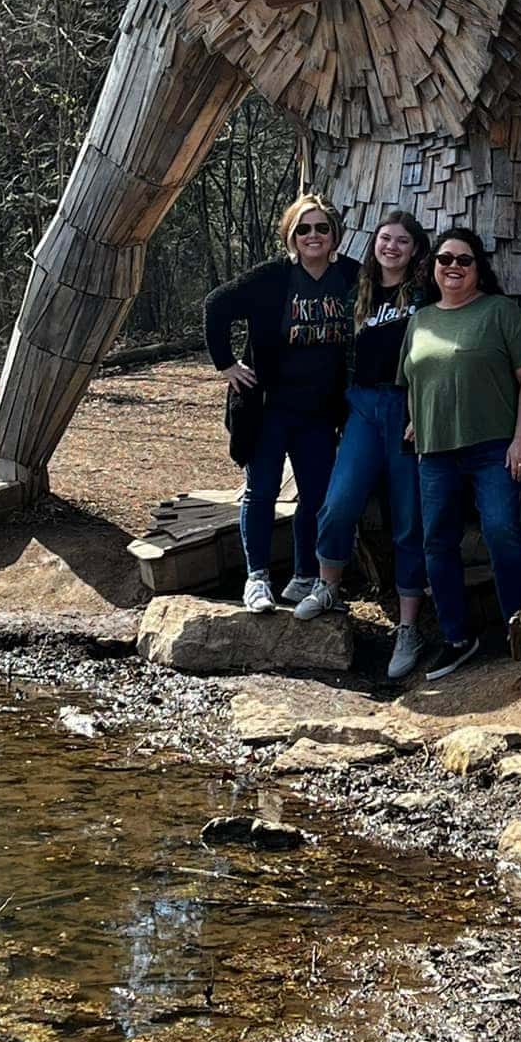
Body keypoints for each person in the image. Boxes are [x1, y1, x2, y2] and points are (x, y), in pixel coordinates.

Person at [398, 228, 521, 680]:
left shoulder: (499, 313)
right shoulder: (420, 321)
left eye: (464, 260)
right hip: (435, 454)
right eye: (445, 260)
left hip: (493, 449)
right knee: (437, 543)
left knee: (502, 533)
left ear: (478, 268)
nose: (453, 267)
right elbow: (412, 378)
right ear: (433, 268)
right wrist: (416, 418)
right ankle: (457, 637)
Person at [294, 211, 433, 680]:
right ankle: (328, 584)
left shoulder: (426, 293)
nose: (391, 246)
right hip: (363, 408)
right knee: (338, 504)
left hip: (407, 411)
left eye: (402, 241)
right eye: (384, 238)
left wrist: (423, 410)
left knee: (408, 519)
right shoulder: (358, 290)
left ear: (415, 249)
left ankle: (409, 627)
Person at [204, 196, 359, 613]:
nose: (313, 236)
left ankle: (304, 577)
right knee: (262, 491)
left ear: (334, 236)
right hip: (269, 408)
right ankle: (256, 580)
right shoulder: (273, 278)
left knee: (315, 496)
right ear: (291, 236)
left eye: (321, 228)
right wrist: (227, 366)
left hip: (319, 412)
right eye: (303, 229)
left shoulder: (350, 276)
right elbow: (216, 306)